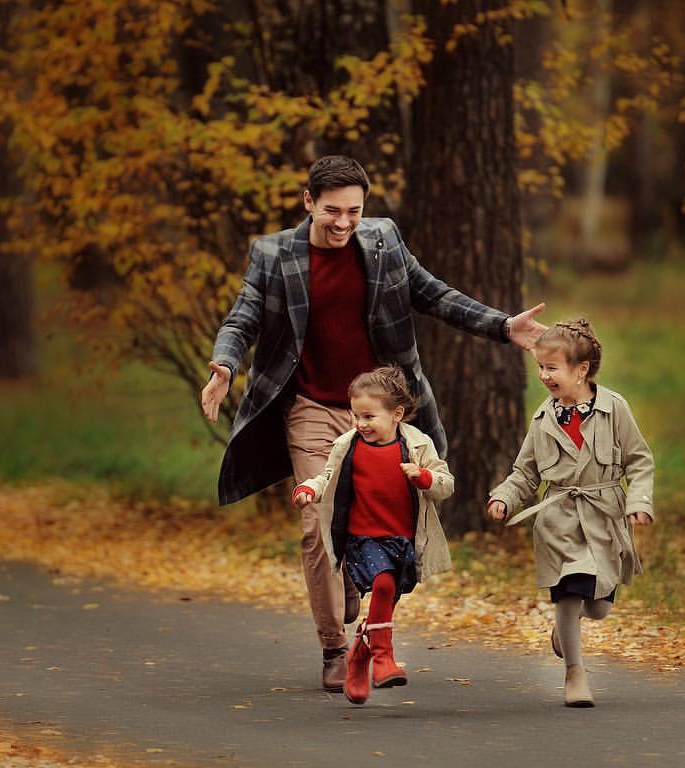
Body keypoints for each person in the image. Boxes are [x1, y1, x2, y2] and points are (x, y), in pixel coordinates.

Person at [200, 155, 546, 691]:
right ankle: (335, 649)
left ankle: (361, 595)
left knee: (382, 527)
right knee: (318, 525)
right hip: (312, 406)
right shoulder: (273, 255)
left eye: (354, 212)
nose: (343, 223)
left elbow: (434, 295)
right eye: (332, 211)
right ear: (308, 201)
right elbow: (242, 317)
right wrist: (224, 365)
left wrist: (502, 327)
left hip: (379, 410)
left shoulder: (383, 241)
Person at [486, 319, 654, 707]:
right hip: (558, 519)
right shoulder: (543, 420)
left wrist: (639, 501)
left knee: (597, 607)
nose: (544, 376)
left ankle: (569, 628)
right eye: (541, 368)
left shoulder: (615, 409)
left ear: (581, 370)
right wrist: (505, 498)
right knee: (569, 590)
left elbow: (639, 461)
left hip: (604, 516)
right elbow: (525, 471)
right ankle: (575, 673)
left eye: (552, 368)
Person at [292, 366, 453, 705]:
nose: (361, 424)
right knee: (381, 585)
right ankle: (383, 659)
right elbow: (328, 478)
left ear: (396, 414)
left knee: (383, 607)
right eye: (356, 416)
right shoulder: (348, 445)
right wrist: (309, 487)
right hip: (363, 539)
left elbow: (445, 484)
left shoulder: (416, 445)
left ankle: (358, 659)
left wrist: (423, 477)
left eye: (369, 416)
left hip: (404, 541)